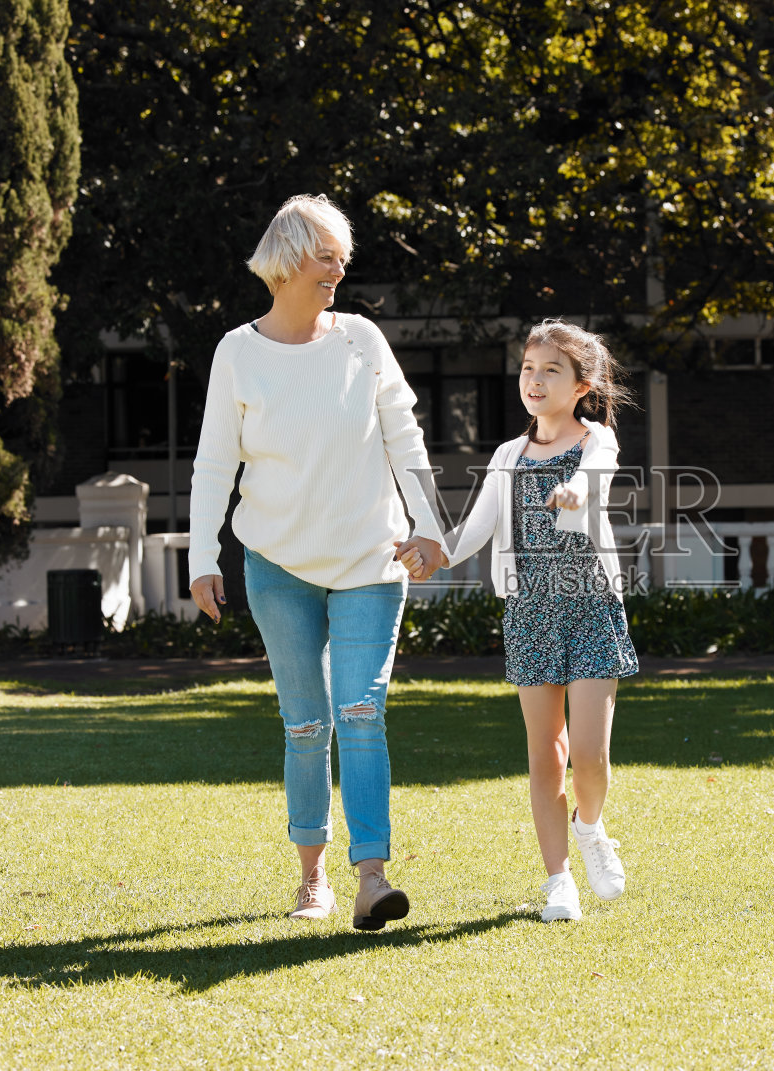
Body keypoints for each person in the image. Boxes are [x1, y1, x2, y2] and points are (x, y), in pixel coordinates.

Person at [188, 194, 446, 931]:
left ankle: (373, 877)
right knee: (306, 726)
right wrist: (203, 554)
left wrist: (431, 528)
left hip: (370, 556)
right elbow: (214, 464)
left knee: (361, 711)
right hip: (277, 565)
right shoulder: (237, 352)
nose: (339, 268)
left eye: (342, 257)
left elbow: (405, 437)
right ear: (287, 258)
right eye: (326, 255)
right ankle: (313, 881)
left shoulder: (362, 339)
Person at [428, 319, 639, 922]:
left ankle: (591, 828)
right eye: (528, 368)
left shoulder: (596, 441)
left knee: (591, 760)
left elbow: (595, 475)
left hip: (591, 605)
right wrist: (434, 553)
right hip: (530, 614)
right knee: (545, 754)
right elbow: (475, 529)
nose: (535, 379)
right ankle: (558, 882)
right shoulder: (507, 455)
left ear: (582, 385)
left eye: (551, 370)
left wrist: (574, 491)